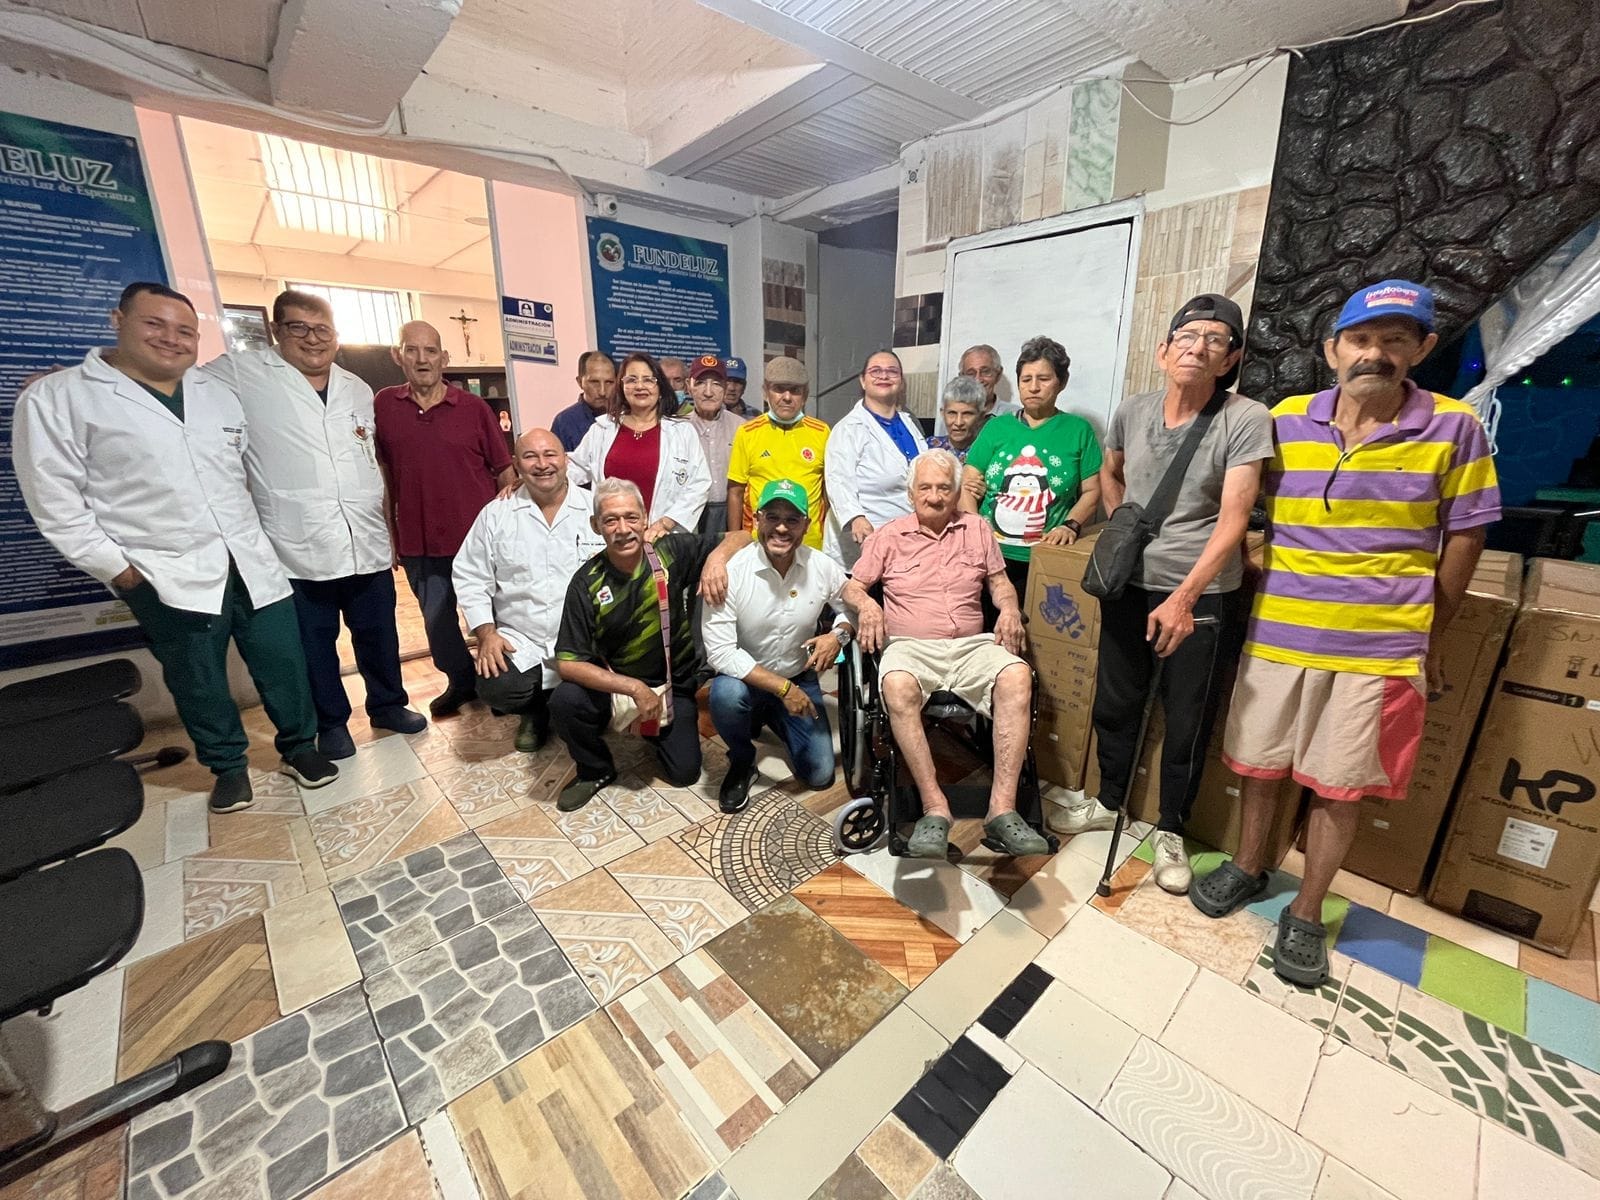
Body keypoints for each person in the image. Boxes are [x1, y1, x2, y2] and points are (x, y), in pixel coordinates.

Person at [1191, 280, 1500, 987]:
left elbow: (1467, 537)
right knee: (1259, 766)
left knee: (1342, 786)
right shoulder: (1286, 421)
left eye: (1395, 340)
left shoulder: (1454, 427)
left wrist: (1431, 635)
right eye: (1361, 339)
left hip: (1378, 648)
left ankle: (1306, 908)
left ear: (1422, 347)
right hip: (1280, 633)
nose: (1375, 354)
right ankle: (1248, 864)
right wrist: (1248, 557)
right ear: (1333, 350)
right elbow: (1241, 504)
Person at [13, 282, 338, 813]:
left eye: (185, 330)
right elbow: (54, 502)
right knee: (198, 677)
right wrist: (118, 570)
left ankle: (300, 747)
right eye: (155, 324)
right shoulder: (59, 397)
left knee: (283, 661)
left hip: (249, 559)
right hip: (161, 571)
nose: (172, 338)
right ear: (118, 320)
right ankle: (228, 767)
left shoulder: (215, 391)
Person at [1055, 295, 1273, 895]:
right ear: (1163, 350)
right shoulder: (1133, 409)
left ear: (1231, 358)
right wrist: (1125, 520)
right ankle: (1110, 801)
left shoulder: (1245, 418)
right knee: (1116, 700)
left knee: (1186, 716)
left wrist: (1184, 597)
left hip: (1199, 592)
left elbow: (1235, 518)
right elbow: (1112, 470)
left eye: (1215, 339)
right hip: (1129, 582)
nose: (1198, 347)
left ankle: (1171, 828)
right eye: (1187, 335)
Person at [201, 290, 424, 760]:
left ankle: (388, 704)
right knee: (316, 644)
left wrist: (389, 529)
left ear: (336, 336)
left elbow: (371, 462)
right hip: (298, 546)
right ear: (276, 331)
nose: (312, 339)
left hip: (364, 538)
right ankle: (332, 723)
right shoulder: (242, 373)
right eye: (298, 327)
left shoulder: (356, 388)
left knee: (379, 634)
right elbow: (174, 379)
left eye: (322, 329)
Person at [842, 451, 1047, 859]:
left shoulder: (978, 528)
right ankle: (935, 807)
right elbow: (852, 587)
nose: (934, 497)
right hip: (910, 647)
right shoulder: (888, 536)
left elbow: (999, 583)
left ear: (956, 492)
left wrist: (1009, 609)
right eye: (925, 488)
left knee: (1017, 676)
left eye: (943, 488)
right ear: (910, 493)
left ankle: (1002, 810)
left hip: (972, 646)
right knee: (896, 685)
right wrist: (867, 607)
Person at [551, 479, 735, 811]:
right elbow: (567, 663)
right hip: (617, 686)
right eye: (610, 520)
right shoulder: (586, 582)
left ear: (645, 518)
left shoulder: (669, 552)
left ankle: (651, 728)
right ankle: (595, 769)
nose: (623, 529)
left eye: (631, 517)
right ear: (596, 525)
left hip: (673, 685)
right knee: (565, 700)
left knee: (685, 773)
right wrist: (634, 688)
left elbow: (742, 536)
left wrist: (715, 560)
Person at [374, 320, 517, 719]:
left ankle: (503, 685)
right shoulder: (384, 406)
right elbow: (382, 474)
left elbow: (505, 472)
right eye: (412, 350)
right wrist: (390, 532)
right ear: (397, 356)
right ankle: (461, 681)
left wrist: (511, 530)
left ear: (444, 359)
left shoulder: (474, 409)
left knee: (494, 616)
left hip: (478, 539)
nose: (422, 359)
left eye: (431, 351)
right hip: (419, 540)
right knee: (438, 624)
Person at [703, 479, 853, 813]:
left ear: (806, 525)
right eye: (772, 517)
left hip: (798, 675)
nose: (781, 528)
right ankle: (742, 759)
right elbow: (720, 652)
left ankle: (772, 713)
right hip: (746, 679)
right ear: (757, 519)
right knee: (725, 695)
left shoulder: (822, 566)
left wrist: (837, 636)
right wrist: (784, 689)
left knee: (820, 774)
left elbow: (850, 608)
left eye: (792, 519)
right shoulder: (730, 572)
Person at [453, 429, 606, 753]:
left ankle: (575, 704)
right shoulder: (496, 515)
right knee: (496, 684)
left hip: (587, 638)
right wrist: (486, 634)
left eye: (550, 454)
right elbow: (470, 575)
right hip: (523, 638)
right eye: (530, 456)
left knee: (596, 710)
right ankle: (534, 712)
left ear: (565, 459)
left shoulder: (595, 508)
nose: (542, 464)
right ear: (516, 465)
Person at [961, 335, 1102, 596]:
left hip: (1047, 556)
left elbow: (1092, 491)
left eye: (1043, 379)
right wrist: (975, 529)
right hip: (989, 556)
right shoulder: (996, 428)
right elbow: (967, 484)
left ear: (1062, 382)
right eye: (1026, 380)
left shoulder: (1078, 430)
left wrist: (1070, 525)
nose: (1033, 387)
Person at [568, 352, 710, 542]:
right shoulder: (601, 430)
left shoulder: (682, 432)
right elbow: (573, 470)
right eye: (632, 380)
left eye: (648, 380)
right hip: (614, 538)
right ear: (622, 386)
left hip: (662, 537)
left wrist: (665, 523)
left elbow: (700, 483)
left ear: (660, 387)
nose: (640, 386)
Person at [826, 350, 926, 570]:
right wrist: (855, 517)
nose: (884, 376)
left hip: (906, 537)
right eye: (875, 371)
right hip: (865, 535)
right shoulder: (849, 428)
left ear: (901, 381)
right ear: (863, 381)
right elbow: (838, 481)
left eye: (892, 371)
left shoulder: (909, 423)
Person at [726, 356, 829, 550]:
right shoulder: (748, 432)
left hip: (810, 544)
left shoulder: (822, 432)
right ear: (766, 392)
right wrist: (734, 542)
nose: (787, 397)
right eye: (779, 389)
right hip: (760, 543)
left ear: (805, 395)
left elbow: (828, 493)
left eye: (795, 390)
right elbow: (735, 492)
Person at [682, 355, 745, 546]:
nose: (708, 392)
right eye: (700, 383)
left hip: (732, 513)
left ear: (725, 387)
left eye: (716, 384)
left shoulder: (742, 428)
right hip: (691, 514)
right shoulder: (677, 428)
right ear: (689, 386)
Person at [552, 351, 617, 452]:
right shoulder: (564, 422)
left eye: (609, 382)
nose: (602, 391)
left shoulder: (628, 418)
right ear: (580, 382)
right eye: (594, 382)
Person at [927, 376, 985, 463]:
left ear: (980, 416)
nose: (958, 422)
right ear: (942, 413)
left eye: (967, 414)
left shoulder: (987, 452)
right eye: (952, 413)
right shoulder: (929, 448)